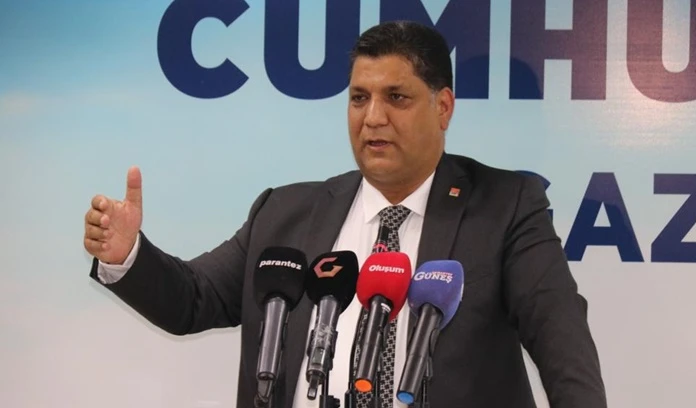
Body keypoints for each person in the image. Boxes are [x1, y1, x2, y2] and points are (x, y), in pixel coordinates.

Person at [84, 21, 607, 408]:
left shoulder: (505, 206)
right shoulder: (284, 213)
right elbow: (193, 300)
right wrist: (127, 254)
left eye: (396, 97)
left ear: (443, 107)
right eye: (359, 98)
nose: (373, 117)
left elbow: (562, 345)